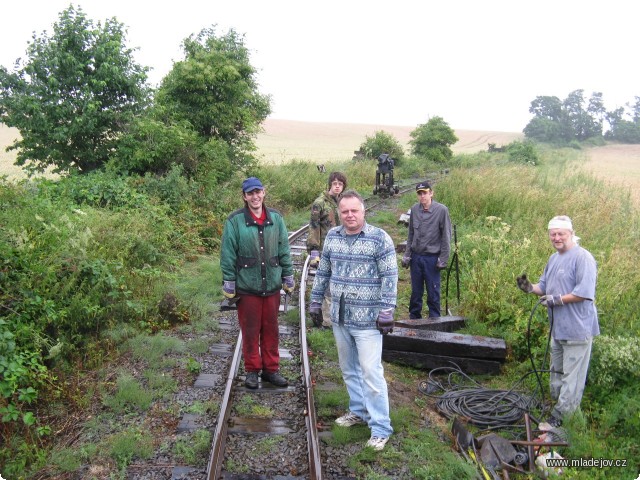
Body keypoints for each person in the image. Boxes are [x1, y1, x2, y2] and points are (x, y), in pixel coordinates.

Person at [309, 190, 398, 451]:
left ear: (363, 211)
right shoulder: (333, 237)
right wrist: (315, 301)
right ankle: (358, 411)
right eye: (344, 211)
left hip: (369, 321)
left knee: (371, 373)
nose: (349, 215)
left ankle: (381, 427)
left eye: (354, 211)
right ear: (338, 213)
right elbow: (323, 271)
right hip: (339, 316)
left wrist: (387, 310)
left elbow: (390, 276)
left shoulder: (379, 239)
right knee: (348, 369)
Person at [516, 215, 599, 429]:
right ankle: (556, 407)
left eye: (561, 233)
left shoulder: (583, 258)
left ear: (571, 233)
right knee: (557, 373)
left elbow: (584, 292)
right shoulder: (554, 259)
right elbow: (543, 288)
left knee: (572, 377)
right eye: (553, 234)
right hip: (558, 330)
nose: (556, 237)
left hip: (577, 329)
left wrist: (557, 299)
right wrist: (529, 287)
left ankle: (562, 419)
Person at [220, 177, 295, 389]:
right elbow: (228, 253)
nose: (255, 196)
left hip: (271, 285)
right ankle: (252, 370)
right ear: (244, 196)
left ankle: (271, 370)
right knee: (251, 329)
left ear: (264, 193)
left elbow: (284, 250)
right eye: (250, 193)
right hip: (247, 287)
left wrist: (287, 275)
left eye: (258, 192)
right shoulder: (235, 221)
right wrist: (229, 281)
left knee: (271, 329)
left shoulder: (276, 219)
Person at [402, 181, 452, 319]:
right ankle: (414, 319)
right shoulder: (414, 210)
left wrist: (443, 259)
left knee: (433, 291)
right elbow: (411, 234)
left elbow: (446, 236)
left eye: (425, 193)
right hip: (416, 257)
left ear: (431, 193)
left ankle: (434, 320)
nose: (422, 196)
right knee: (416, 292)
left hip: (432, 258)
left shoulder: (441, 210)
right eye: (419, 193)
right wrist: (407, 255)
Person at [307, 171, 348, 327]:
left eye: (340, 184)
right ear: (330, 184)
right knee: (326, 286)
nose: (337, 187)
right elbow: (313, 227)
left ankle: (339, 318)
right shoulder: (320, 203)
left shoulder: (343, 202)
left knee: (341, 284)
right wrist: (314, 251)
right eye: (335, 184)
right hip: (326, 250)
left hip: (343, 250)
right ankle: (326, 321)